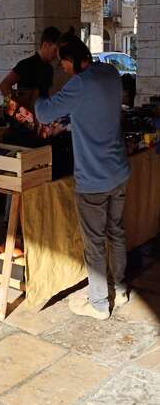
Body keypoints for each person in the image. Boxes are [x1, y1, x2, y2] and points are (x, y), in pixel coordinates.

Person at [35, 33, 130, 320]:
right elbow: (90, 110)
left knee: (94, 242)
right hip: (118, 172)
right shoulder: (111, 73)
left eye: (63, 63)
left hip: (93, 179)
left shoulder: (79, 84)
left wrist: (39, 93)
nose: (62, 68)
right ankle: (121, 289)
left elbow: (43, 113)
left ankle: (99, 303)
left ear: (74, 61)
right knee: (116, 232)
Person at [0, 26, 61, 101]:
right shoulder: (26, 65)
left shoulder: (49, 68)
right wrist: (14, 108)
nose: (57, 55)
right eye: (55, 50)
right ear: (45, 45)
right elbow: (4, 85)